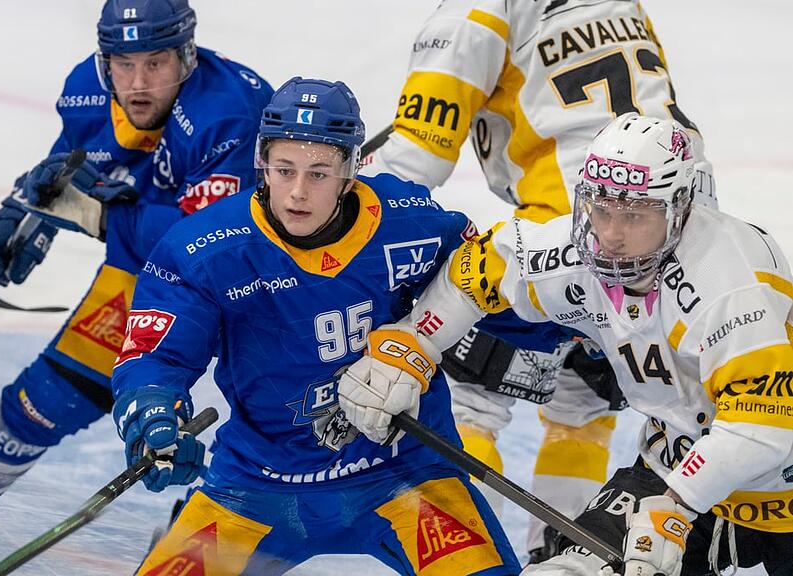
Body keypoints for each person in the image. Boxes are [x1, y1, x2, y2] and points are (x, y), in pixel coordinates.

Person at [341, 113, 793, 575]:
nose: (611, 236)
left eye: (634, 215)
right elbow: (481, 267)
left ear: (679, 209)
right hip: (674, 465)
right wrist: (411, 342)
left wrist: (676, 505)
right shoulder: (578, 250)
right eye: (602, 209)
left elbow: (762, 423)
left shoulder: (728, 282)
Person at [110, 76, 523, 575]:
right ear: (262, 163)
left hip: (405, 471)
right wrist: (152, 412)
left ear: (350, 171)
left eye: (319, 173)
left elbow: (489, 288)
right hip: (257, 485)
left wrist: (570, 333)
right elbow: (155, 357)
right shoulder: (203, 249)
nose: (298, 192)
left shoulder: (411, 220)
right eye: (284, 170)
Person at [363, 0, 717, 560]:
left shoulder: (475, 13)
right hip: (676, 233)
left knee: (471, 404)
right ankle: (562, 559)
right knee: (583, 408)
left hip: (570, 235)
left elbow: (414, 163)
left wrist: (342, 200)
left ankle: (471, 565)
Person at [0, 1, 272, 572]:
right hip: (147, 275)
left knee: (270, 422)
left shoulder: (229, 109)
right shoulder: (86, 89)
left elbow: (209, 244)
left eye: (155, 63)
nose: (137, 83)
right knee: (42, 402)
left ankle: (202, 520)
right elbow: (72, 165)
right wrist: (27, 213)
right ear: (103, 61)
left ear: (187, 55)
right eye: (123, 64)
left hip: (255, 287)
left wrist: (99, 217)